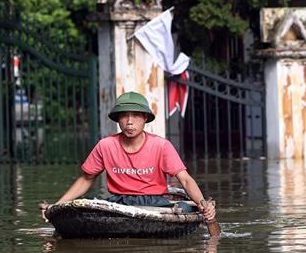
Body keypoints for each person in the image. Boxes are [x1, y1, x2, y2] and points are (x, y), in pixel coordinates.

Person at [42, 91, 216, 222]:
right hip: (119, 202)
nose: (130, 122)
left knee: (186, 207)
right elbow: (86, 179)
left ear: (145, 118)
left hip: (154, 203)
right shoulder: (106, 145)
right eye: (124, 116)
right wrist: (56, 206)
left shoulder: (161, 146)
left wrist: (202, 202)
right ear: (118, 120)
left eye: (135, 116)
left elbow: (185, 180)